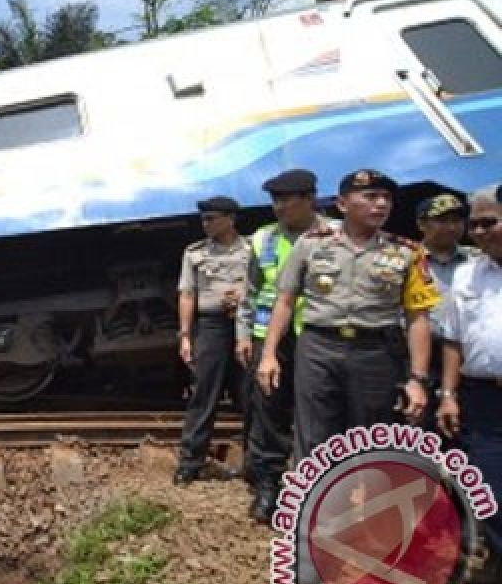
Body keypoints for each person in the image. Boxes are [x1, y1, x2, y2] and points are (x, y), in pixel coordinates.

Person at [257, 169, 439, 459]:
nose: (380, 204)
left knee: (370, 436)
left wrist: (417, 379)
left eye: (386, 198)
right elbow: (285, 301)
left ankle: (365, 503)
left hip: (375, 351)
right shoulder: (311, 243)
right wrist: (268, 355)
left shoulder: (407, 252)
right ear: (342, 204)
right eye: (370, 197)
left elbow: (418, 318)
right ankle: (311, 502)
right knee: (314, 434)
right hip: (319, 347)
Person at [236, 168, 336, 523]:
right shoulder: (263, 237)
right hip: (271, 338)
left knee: (321, 414)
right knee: (269, 411)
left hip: (319, 335)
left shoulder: (336, 235)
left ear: (309, 199)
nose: (277, 207)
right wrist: (244, 334)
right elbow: (250, 291)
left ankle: (322, 490)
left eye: (284, 200)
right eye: (273, 200)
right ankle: (268, 488)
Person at [435, 183, 502, 584]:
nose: (478, 231)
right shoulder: (466, 273)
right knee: (488, 489)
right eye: (473, 224)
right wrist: (448, 393)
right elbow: (453, 339)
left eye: (489, 222)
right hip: (482, 398)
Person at [174, 195, 251, 485]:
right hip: (211, 325)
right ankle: (191, 460)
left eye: (211, 218)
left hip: (246, 324)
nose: (206, 224)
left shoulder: (253, 249)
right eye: (204, 219)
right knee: (204, 393)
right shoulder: (194, 253)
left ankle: (255, 461)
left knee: (250, 395)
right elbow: (187, 294)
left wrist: (245, 298)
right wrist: (185, 334)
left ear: (230, 219)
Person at [415, 192, 476, 441]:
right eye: (441, 220)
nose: (451, 227)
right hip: (417, 359)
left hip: (466, 358)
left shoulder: (477, 261)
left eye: (457, 220)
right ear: (421, 224)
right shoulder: (406, 260)